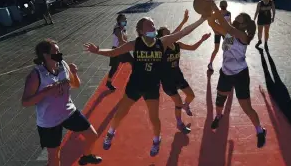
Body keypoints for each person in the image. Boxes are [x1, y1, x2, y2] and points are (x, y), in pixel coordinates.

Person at [84, 13, 207, 156]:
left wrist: (201, 19)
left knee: (154, 118)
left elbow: (184, 32)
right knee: (120, 114)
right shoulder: (135, 43)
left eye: (153, 24)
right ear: (141, 31)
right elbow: (113, 53)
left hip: (152, 86)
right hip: (135, 85)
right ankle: (111, 133)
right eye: (149, 25)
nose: (153, 26)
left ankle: (156, 140)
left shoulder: (163, 42)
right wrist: (97, 51)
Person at [21, 39, 102, 166]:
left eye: (59, 51)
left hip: (68, 111)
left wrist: (75, 73)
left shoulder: (63, 64)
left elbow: (76, 85)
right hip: (49, 121)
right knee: (54, 155)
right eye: (56, 52)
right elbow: (25, 102)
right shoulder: (36, 75)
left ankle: (86, 156)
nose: (59, 54)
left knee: (93, 135)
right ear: (45, 55)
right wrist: (45, 92)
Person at [207, 1, 267, 148]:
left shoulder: (242, 35)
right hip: (226, 71)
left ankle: (260, 131)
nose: (237, 17)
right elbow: (213, 24)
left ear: (244, 24)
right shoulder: (229, 33)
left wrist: (216, 9)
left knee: (246, 107)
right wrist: (208, 14)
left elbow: (226, 27)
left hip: (240, 74)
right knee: (219, 100)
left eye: (240, 17)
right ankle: (218, 116)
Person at [157, 10, 211, 134]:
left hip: (178, 76)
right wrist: (183, 22)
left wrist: (202, 40)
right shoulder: (162, 47)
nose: (170, 34)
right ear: (162, 37)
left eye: (169, 32)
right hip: (167, 81)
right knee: (178, 103)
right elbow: (179, 32)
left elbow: (192, 47)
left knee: (191, 95)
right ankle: (179, 123)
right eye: (167, 34)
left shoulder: (177, 45)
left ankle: (186, 106)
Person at [106, 14, 133, 91]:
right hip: (118, 50)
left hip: (121, 49)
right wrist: (131, 45)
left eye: (125, 19)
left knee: (132, 63)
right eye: (123, 19)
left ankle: (136, 79)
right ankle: (108, 82)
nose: (125, 21)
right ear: (119, 21)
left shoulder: (123, 28)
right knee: (114, 67)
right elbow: (121, 41)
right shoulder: (118, 29)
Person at [207, 0, 231, 72]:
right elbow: (211, 22)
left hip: (225, 33)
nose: (223, 7)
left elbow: (230, 23)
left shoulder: (229, 13)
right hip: (218, 32)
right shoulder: (217, 13)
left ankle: (225, 65)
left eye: (224, 6)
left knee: (227, 50)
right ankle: (210, 63)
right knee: (217, 49)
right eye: (222, 6)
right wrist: (214, 30)